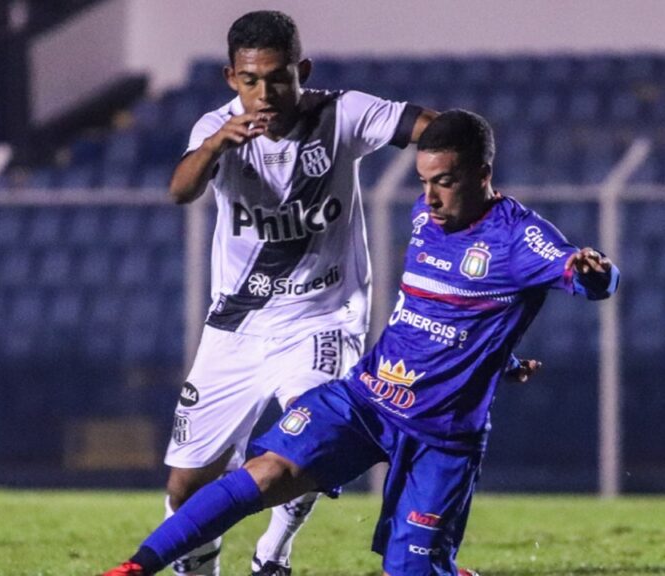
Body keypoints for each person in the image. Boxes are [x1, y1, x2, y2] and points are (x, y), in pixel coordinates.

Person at [103, 110, 620, 576]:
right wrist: (500, 360)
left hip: (440, 435)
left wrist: (594, 272)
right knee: (265, 474)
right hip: (366, 399)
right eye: (423, 182)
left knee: (411, 570)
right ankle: (135, 567)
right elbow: (434, 319)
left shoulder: (519, 238)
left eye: (445, 182)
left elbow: (590, 278)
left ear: (483, 176)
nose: (431, 197)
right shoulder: (425, 214)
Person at [162, 10, 437, 576]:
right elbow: (180, 191)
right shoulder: (216, 129)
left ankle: (274, 553)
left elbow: (432, 127)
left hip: (324, 319)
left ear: (301, 70)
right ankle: (204, 564)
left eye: (279, 77)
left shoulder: (342, 113)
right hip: (235, 326)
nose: (265, 93)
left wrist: (452, 169)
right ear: (231, 78)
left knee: (309, 446)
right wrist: (216, 144)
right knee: (186, 485)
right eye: (251, 80)